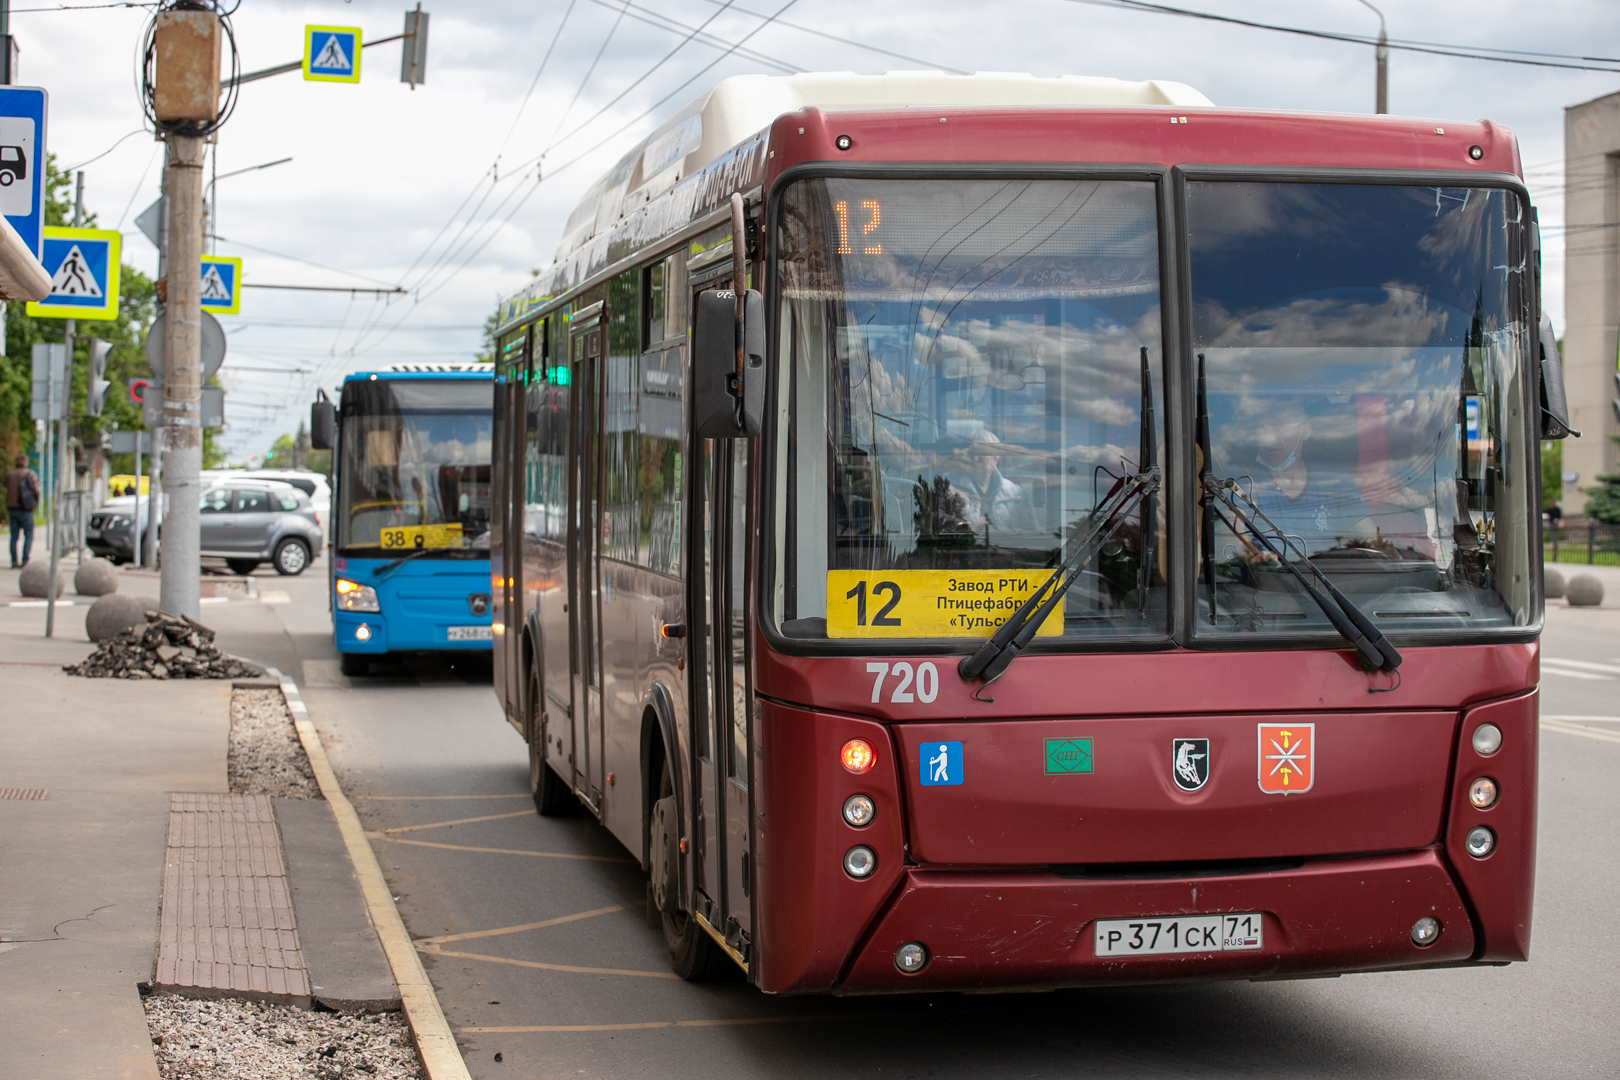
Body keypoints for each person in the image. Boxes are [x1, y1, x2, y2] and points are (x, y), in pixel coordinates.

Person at [5, 453, 41, 568]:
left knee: (13, 537)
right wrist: (35, 503)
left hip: (12, 510)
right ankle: (25, 559)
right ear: (25, 463)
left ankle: (14, 561)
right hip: (26, 510)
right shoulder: (29, 474)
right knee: (29, 535)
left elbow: (5, 486)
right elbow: (36, 491)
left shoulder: (9, 474)